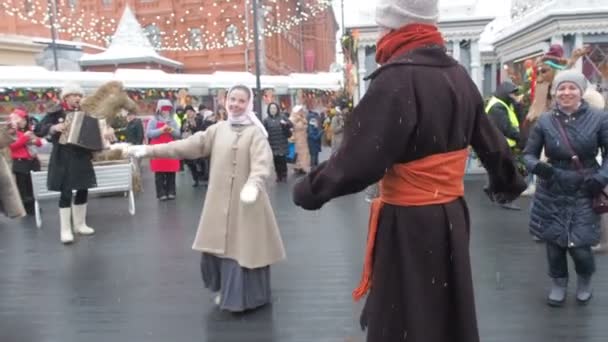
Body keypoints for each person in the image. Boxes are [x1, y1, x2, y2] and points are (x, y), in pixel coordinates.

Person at [291, 1, 526, 341]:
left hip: (410, 220)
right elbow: (491, 140)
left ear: (396, 27)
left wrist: (309, 190)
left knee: (407, 311)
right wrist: (507, 180)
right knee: (445, 305)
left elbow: (358, 162)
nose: (380, 33)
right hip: (452, 215)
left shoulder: (396, 79)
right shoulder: (458, 75)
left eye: (381, 26)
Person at [127, 85, 285, 312]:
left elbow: (262, 165)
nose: (235, 104)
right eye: (232, 99)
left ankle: (247, 298)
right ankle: (225, 291)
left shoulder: (255, 133)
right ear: (225, 101)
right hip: (219, 203)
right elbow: (186, 146)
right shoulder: (217, 130)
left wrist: (254, 184)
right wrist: (149, 151)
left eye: (241, 100)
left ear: (248, 104)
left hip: (247, 204)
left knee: (244, 249)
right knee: (219, 247)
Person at [523, 70, 608, 306]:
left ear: (581, 91)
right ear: (555, 92)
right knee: (554, 243)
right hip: (552, 187)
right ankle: (558, 283)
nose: (566, 92)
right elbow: (528, 155)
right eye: (561, 88)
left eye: (572, 88)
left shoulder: (599, 118)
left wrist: (601, 177)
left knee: (580, 246)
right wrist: (542, 169)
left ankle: (584, 279)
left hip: (586, 185)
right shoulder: (546, 120)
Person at [34, 83, 99, 244]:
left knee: (83, 188)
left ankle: (80, 224)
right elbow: (38, 129)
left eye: (79, 95)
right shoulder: (55, 113)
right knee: (66, 191)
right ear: (66, 97)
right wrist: (54, 127)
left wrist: (104, 131)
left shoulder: (84, 113)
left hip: (82, 155)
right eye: (74, 95)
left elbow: (94, 131)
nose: (78, 98)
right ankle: (65, 229)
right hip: (63, 156)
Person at [485, 82, 525, 210]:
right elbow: (506, 128)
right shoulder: (497, 107)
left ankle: (492, 189)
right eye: (512, 93)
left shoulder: (503, 104)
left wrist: (517, 105)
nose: (514, 96)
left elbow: (517, 120)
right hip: (502, 144)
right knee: (508, 173)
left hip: (501, 144)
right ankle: (505, 199)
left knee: (500, 171)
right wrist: (521, 139)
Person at [8, 109, 42, 215]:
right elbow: (12, 146)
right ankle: (26, 208)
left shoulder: (29, 130)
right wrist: (25, 137)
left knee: (33, 185)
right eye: (20, 120)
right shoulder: (11, 132)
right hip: (20, 162)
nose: (23, 122)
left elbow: (39, 143)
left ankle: (34, 206)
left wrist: (33, 140)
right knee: (23, 187)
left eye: (24, 120)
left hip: (33, 161)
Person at [147, 99, 181, 200]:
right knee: (159, 173)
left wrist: (171, 130)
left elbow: (178, 134)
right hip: (157, 150)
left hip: (170, 149)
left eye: (168, 109)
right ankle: (161, 193)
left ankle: (171, 192)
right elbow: (149, 133)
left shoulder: (173, 121)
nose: (166, 111)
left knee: (171, 172)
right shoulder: (153, 121)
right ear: (159, 109)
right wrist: (161, 130)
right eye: (164, 109)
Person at [263, 102, 292, 182]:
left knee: (282, 160)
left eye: (274, 108)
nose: (273, 110)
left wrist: (286, 123)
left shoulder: (282, 117)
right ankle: (278, 175)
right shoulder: (266, 120)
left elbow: (291, 124)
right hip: (272, 143)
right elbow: (264, 131)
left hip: (282, 142)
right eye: (271, 108)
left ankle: (284, 175)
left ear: (277, 109)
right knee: (276, 161)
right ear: (269, 110)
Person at [181, 105, 206, 187]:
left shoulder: (199, 119)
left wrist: (193, 126)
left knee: (200, 161)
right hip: (187, 143)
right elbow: (181, 130)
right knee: (190, 163)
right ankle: (195, 179)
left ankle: (203, 177)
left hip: (198, 143)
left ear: (193, 111)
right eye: (187, 112)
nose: (189, 114)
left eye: (190, 112)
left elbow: (201, 130)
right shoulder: (184, 120)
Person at [289, 105, 310, 175]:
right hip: (297, 139)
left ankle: (303, 167)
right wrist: (292, 137)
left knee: (304, 154)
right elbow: (290, 129)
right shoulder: (292, 119)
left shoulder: (303, 118)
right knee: (297, 154)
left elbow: (306, 126)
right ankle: (297, 167)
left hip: (303, 139)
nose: (301, 111)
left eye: (301, 110)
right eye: (299, 110)